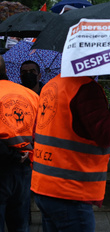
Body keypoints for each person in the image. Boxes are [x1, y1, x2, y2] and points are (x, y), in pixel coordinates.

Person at [31, 73, 110, 231]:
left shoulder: (52, 84)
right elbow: (107, 134)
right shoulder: (86, 88)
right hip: (70, 192)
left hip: (45, 187)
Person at [0, 55, 39, 232]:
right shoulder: (31, 95)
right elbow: (40, 132)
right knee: (20, 223)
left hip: (6, 163)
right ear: (6, 70)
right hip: (23, 166)